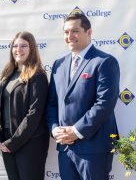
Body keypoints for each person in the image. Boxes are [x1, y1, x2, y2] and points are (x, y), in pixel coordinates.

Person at [46, 13, 120, 180]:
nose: (69, 36)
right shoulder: (59, 64)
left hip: (93, 147)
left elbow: (104, 104)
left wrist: (76, 131)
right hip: (65, 147)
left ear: (89, 32)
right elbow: (52, 103)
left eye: (75, 31)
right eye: (66, 32)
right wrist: (54, 129)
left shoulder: (105, 62)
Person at [0, 31, 49, 180]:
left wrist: (13, 142)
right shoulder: (8, 74)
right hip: (7, 141)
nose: (19, 49)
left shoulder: (38, 76)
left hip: (30, 142)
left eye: (24, 45)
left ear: (32, 49)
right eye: (15, 46)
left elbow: (34, 114)